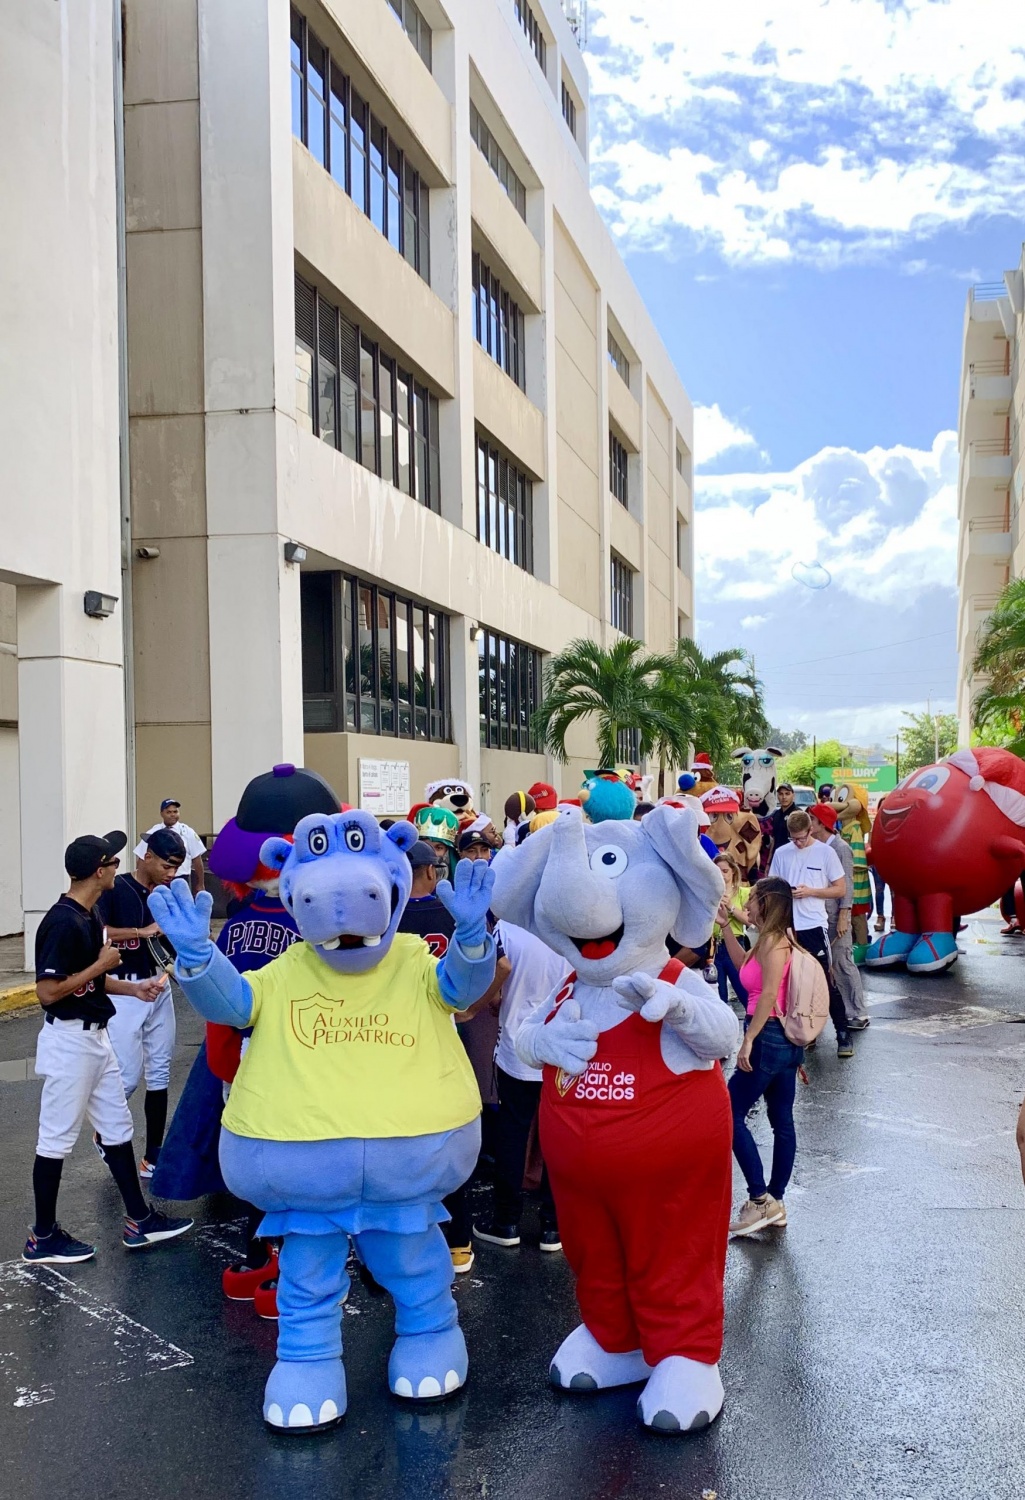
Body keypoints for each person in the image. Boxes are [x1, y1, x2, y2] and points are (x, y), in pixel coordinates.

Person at [24, 831, 193, 1263]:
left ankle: (139, 1219)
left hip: (96, 1037)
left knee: (118, 1128)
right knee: (55, 1138)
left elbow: (91, 980)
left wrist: (131, 989)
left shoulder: (89, 913)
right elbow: (48, 992)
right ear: (99, 871)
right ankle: (42, 1237)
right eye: (113, 861)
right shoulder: (62, 921)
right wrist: (101, 965)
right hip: (69, 1041)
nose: (119, 865)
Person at [398, 840, 509, 1274]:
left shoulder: (386, 917)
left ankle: (407, 1241)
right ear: (430, 872)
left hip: (398, 1038)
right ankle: (458, 1241)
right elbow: (501, 966)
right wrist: (472, 1008)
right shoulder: (455, 910)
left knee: (402, 1141)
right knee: (447, 1137)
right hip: (445, 1032)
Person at [474, 919, 569, 1254]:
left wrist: (491, 1003)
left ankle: (506, 1221)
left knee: (511, 1134)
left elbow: (493, 988)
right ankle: (552, 1226)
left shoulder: (506, 929)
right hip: (561, 1049)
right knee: (558, 1138)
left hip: (516, 1047)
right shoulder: (571, 926)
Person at [718, 877, 804, 1236]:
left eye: (752, 898)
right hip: (784, 1039)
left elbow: (768, 994)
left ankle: (760, 1199)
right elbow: (744, 970)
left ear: (766, 903)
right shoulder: (775, 938)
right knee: (781, 1120)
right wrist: (726, 927)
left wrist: (748, 1040)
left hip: (767, 1034)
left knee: (728, 1112)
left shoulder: (773, 941)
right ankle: (775, 1202)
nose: (746, 904)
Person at [98, 826, 186, 1175]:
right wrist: (140, 931)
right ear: (147, 857)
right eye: (167, 865)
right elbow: (98, 931)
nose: (171, 873)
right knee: (128, 1075)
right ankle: (105, 1134)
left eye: (176, 867)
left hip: (159, 985)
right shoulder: (116, 887)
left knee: (160, 1071)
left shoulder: (168, 894)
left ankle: (153, 1156)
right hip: (125, 989)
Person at [768, 809, 853, 1058]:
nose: (797, 843)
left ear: (811, 830)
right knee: (793, 981)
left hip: (814, 925)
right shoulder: (782, 853)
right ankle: (805, 1031)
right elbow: (772, 887)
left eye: (802, 838)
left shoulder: (826, 852)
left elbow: (840, 889)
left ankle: (843, 1032)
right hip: (788, 926)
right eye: (793, 839)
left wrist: (811, 891)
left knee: (825, 979)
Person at [809, 804, 869, 1031]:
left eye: (811, 819)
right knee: (828, 963)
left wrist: (845, 914)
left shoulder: (840, 848)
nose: (808, 824)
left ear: (822, 823)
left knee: (843, 961)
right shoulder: (816, 846)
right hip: (820, 914)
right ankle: (841, 1010)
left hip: (837, 914)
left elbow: (847, 885)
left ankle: (858, 1011)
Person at [135, 798, 206, 895]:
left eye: (175, 812)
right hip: (159, 880)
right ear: (161, 814)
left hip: (181, 880)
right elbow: (141, 859)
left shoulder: (187, 832)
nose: (172, 815)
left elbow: (197, 859)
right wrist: (140, 882)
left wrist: (200, 884)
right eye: (168, 812)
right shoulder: (154, 832)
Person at [712, 852, 749, 1007]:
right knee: (717, 994)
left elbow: (749, 920)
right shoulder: (710, 893)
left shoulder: (743, 892)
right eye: (717, 871)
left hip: (735, 943)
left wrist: (731, 907)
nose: (721, 875)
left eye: (725, 871)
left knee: (743, 990)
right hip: (714, 945)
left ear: (733, 871)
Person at [769, 783, 795, 853]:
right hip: (777, 854)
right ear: (777, 796)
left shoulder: (797, 814)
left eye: (787, 794)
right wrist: (769, 859)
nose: (784, 797)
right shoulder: (776, 814)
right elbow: (774, 839)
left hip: (791, 854)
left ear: (793, 795)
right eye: (781, 794)